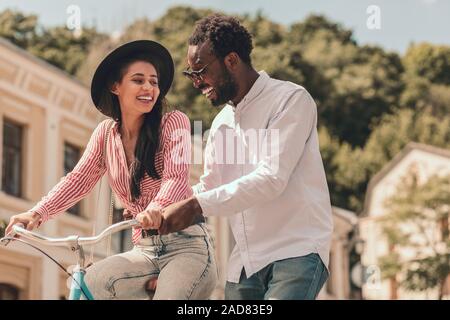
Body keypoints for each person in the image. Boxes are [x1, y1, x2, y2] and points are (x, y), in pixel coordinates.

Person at [5, 40, 217, 300]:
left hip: (187, 246)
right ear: (115, 86)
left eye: (154, 81)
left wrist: (157, 208)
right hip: (145, 249)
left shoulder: (175, 122)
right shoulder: (105, 134)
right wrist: (36, 213)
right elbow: (78, 179)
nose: (149, 88)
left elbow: (175, 176)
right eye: (138, 80)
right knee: (93, 282)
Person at [157, 15, 334, 300]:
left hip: (297, 251)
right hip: (244, 264)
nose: (196, 82)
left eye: (200, 71)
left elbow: (271, 179)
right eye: (191, 74)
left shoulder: (290, 100)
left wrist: (193, 206)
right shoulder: (221, 123)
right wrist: (161, 207)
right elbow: (211, 186)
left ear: (231, 61)